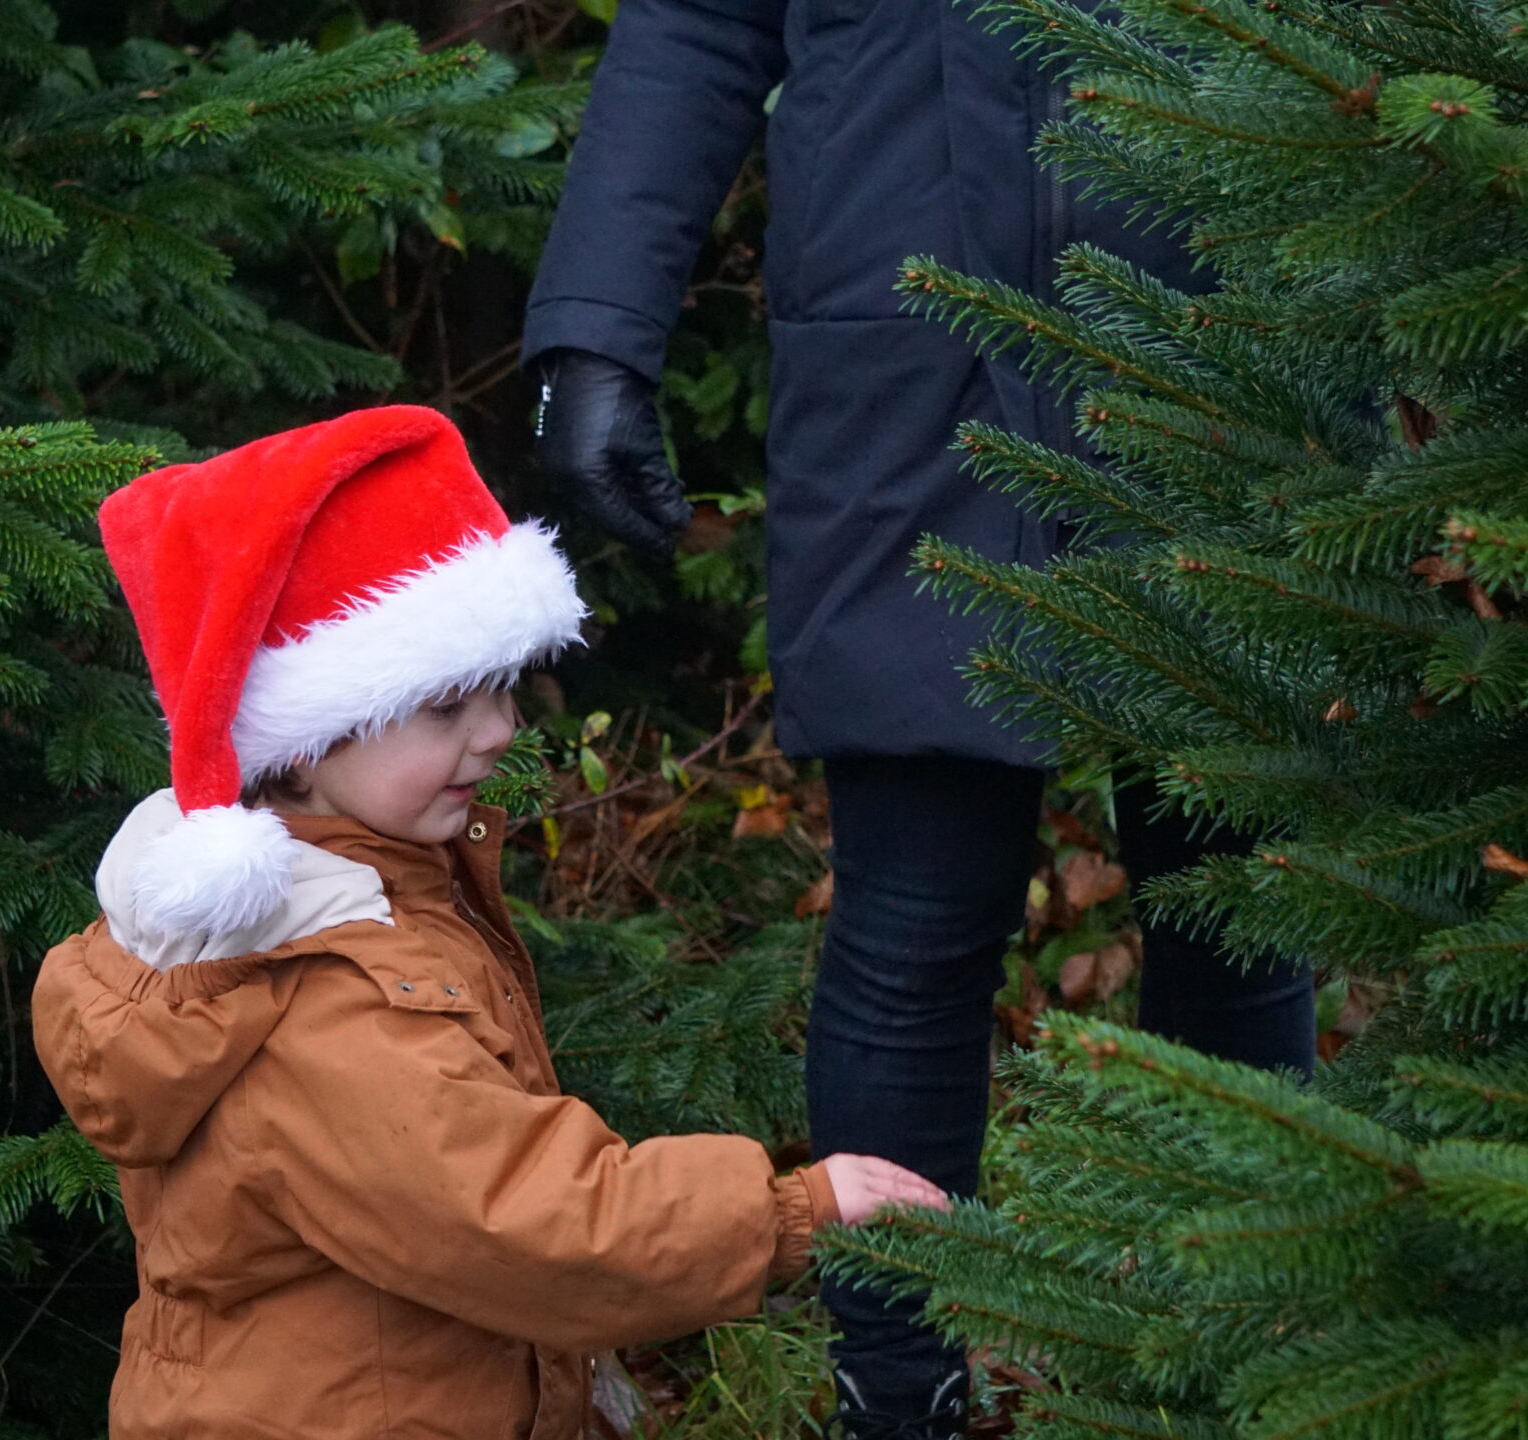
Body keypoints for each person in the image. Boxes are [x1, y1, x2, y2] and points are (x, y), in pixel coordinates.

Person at [521, 0, 1320, 1431]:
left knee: (1237, 908)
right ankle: (896, 1402)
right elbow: (697, 24)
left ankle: (1241, 1374)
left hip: (1232, 346)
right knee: (915, 920)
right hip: (908, 364)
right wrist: (597, 332)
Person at [32, 405, 947, 1440]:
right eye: (443, 707)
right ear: (299, 739)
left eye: (501, 689)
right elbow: (524, 1221)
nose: (499, 730)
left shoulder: (363, 892)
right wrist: (793, 1214)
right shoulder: (320, 987)